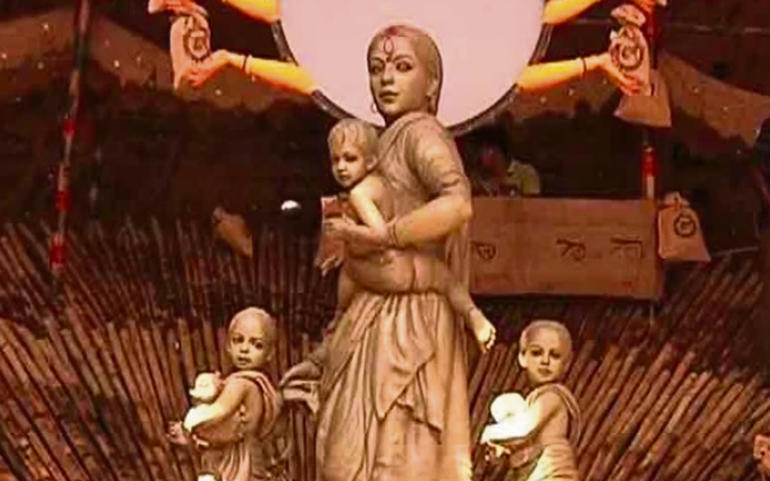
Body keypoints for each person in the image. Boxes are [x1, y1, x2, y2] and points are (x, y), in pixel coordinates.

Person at [321, 117, 496, 352]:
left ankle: (339, 317)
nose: (341, 167)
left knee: (350, 270)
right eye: (335, 160)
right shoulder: (382, 184)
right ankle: (473, 315)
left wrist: (347, 231)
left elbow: (381, 234)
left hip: (387, 270)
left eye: (350, 158)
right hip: (399, 267)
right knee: (446, 280)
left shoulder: (359, 194)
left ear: (371, 161)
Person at [168, 307, 282, 481]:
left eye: (256, 344)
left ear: (269, 353)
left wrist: (190, 423)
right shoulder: (250, 384)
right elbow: (223, 434)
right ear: (228, 346)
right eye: (238, 340)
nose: (245, 349)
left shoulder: (242, 384)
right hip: (238, 458)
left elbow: (219, 411)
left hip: (239, 463)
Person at [481, 320, 582, 481]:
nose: (545, 361)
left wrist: (489, 432)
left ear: (567, 363)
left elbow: (523, 428)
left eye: (555, 355)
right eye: (536, 353)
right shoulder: (531, 402)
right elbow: (521, 444)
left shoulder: (552, 397)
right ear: (522, 357)